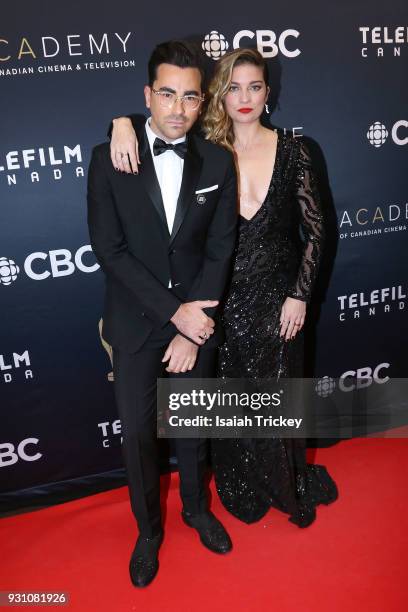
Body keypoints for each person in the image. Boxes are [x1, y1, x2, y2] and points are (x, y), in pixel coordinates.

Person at [109, 48, 338, 529]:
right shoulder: (206, 151)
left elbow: (318, 231)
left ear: (268, 94)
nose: (245, 97)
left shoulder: (296, 150)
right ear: (219, 96)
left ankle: (282, 479)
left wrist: (299, 295)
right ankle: (241, 482)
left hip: (279, 300)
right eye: (234, 87)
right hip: (220, 301)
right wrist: (118, 122)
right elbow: (155, 127)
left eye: (255, 87)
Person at [87, 40, 237, 588]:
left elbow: (220, 249)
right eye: (166, 94)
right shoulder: (109, 157)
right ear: (147, 96)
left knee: (194, 428)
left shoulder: (220, 161)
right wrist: (177, 315)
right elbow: (110, 251)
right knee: (139, 438)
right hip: (135, 325)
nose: (177, 108)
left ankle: (197, 509)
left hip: (195, 326)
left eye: (190, 97)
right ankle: (149, 532)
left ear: (202, 103)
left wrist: (193, 333)